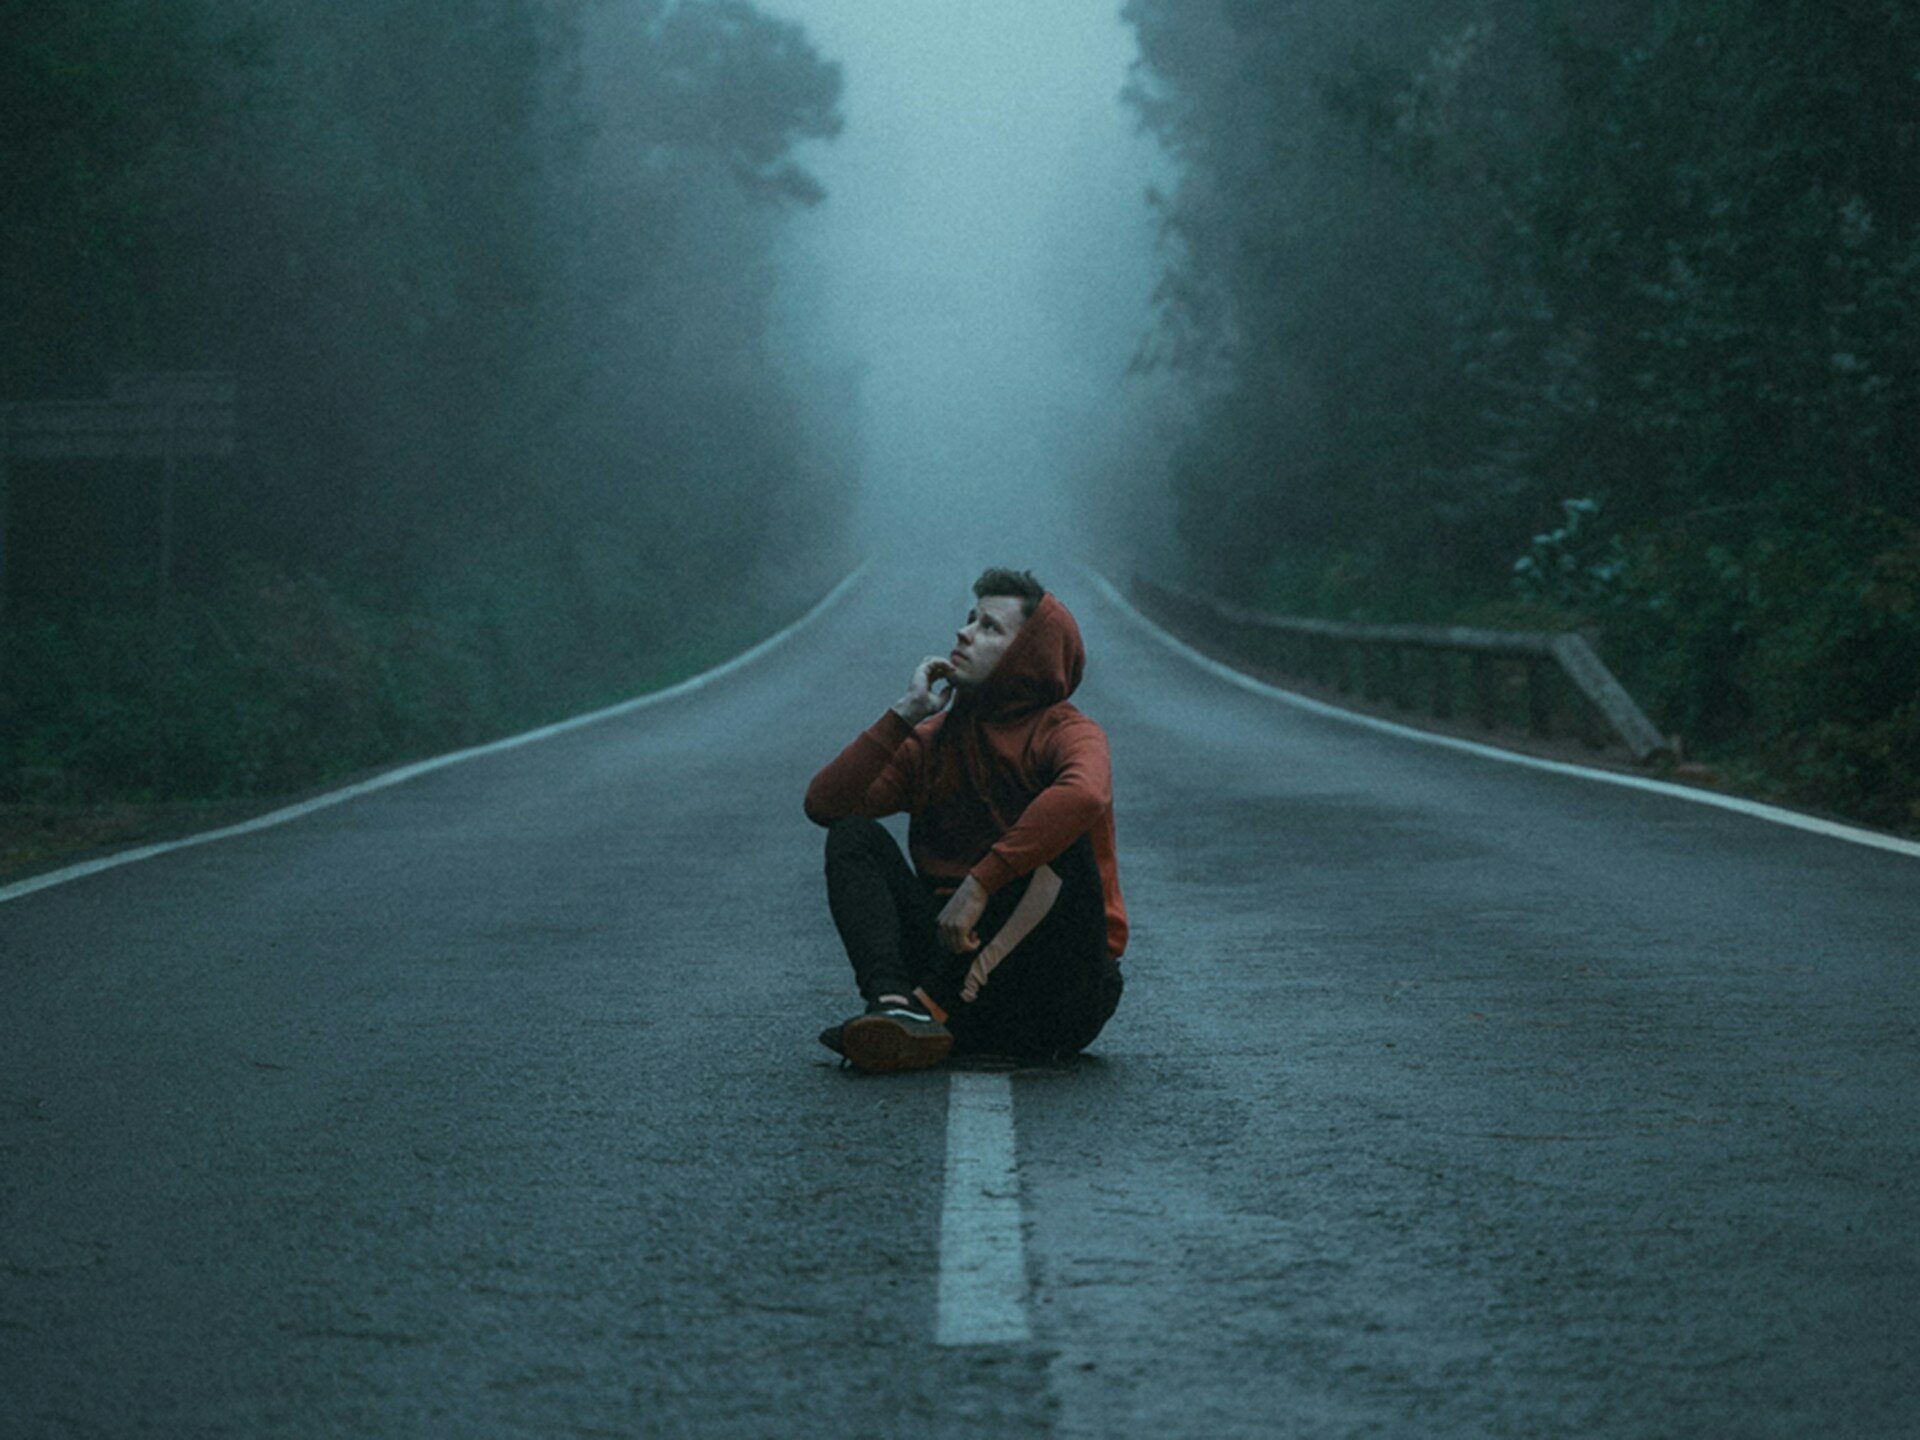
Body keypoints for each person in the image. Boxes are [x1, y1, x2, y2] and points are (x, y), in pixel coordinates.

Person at [803, 567, 1128, 1073]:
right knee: (854, 835)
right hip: (948, 961)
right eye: (969, 619)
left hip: (1052, 992)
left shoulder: (1068, 732)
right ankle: (894, 1005)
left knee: (1065, 834)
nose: (964, 632)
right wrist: (903, 716)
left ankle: (928, 1010)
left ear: (1027, 656)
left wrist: (979, 885)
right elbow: (825, 805)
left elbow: (1085, 795)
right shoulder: (933, 739)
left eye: (989, 627)